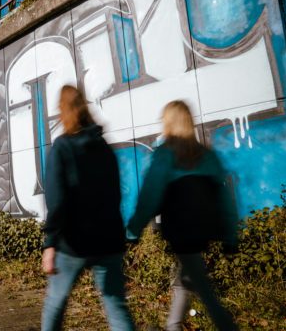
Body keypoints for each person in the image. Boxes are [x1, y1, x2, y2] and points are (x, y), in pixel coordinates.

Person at [126, 100, 238, 331]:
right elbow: (225, 198)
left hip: (181, 230)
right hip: (204, 230)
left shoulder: (165, 156)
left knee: (204, 290)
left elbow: (150, 197)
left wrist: (133, 230)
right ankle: (173, 325)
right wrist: (230, 236)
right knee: (186, 277)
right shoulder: (207, 156)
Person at [41, 85, 134, 331]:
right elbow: (115, 193)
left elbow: (57, 200)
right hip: (109, 240)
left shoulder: (62, 147)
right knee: (115, 305)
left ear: (62, 111)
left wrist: (50, 242)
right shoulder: (104, 147)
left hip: (74, 243)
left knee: (55, 303)